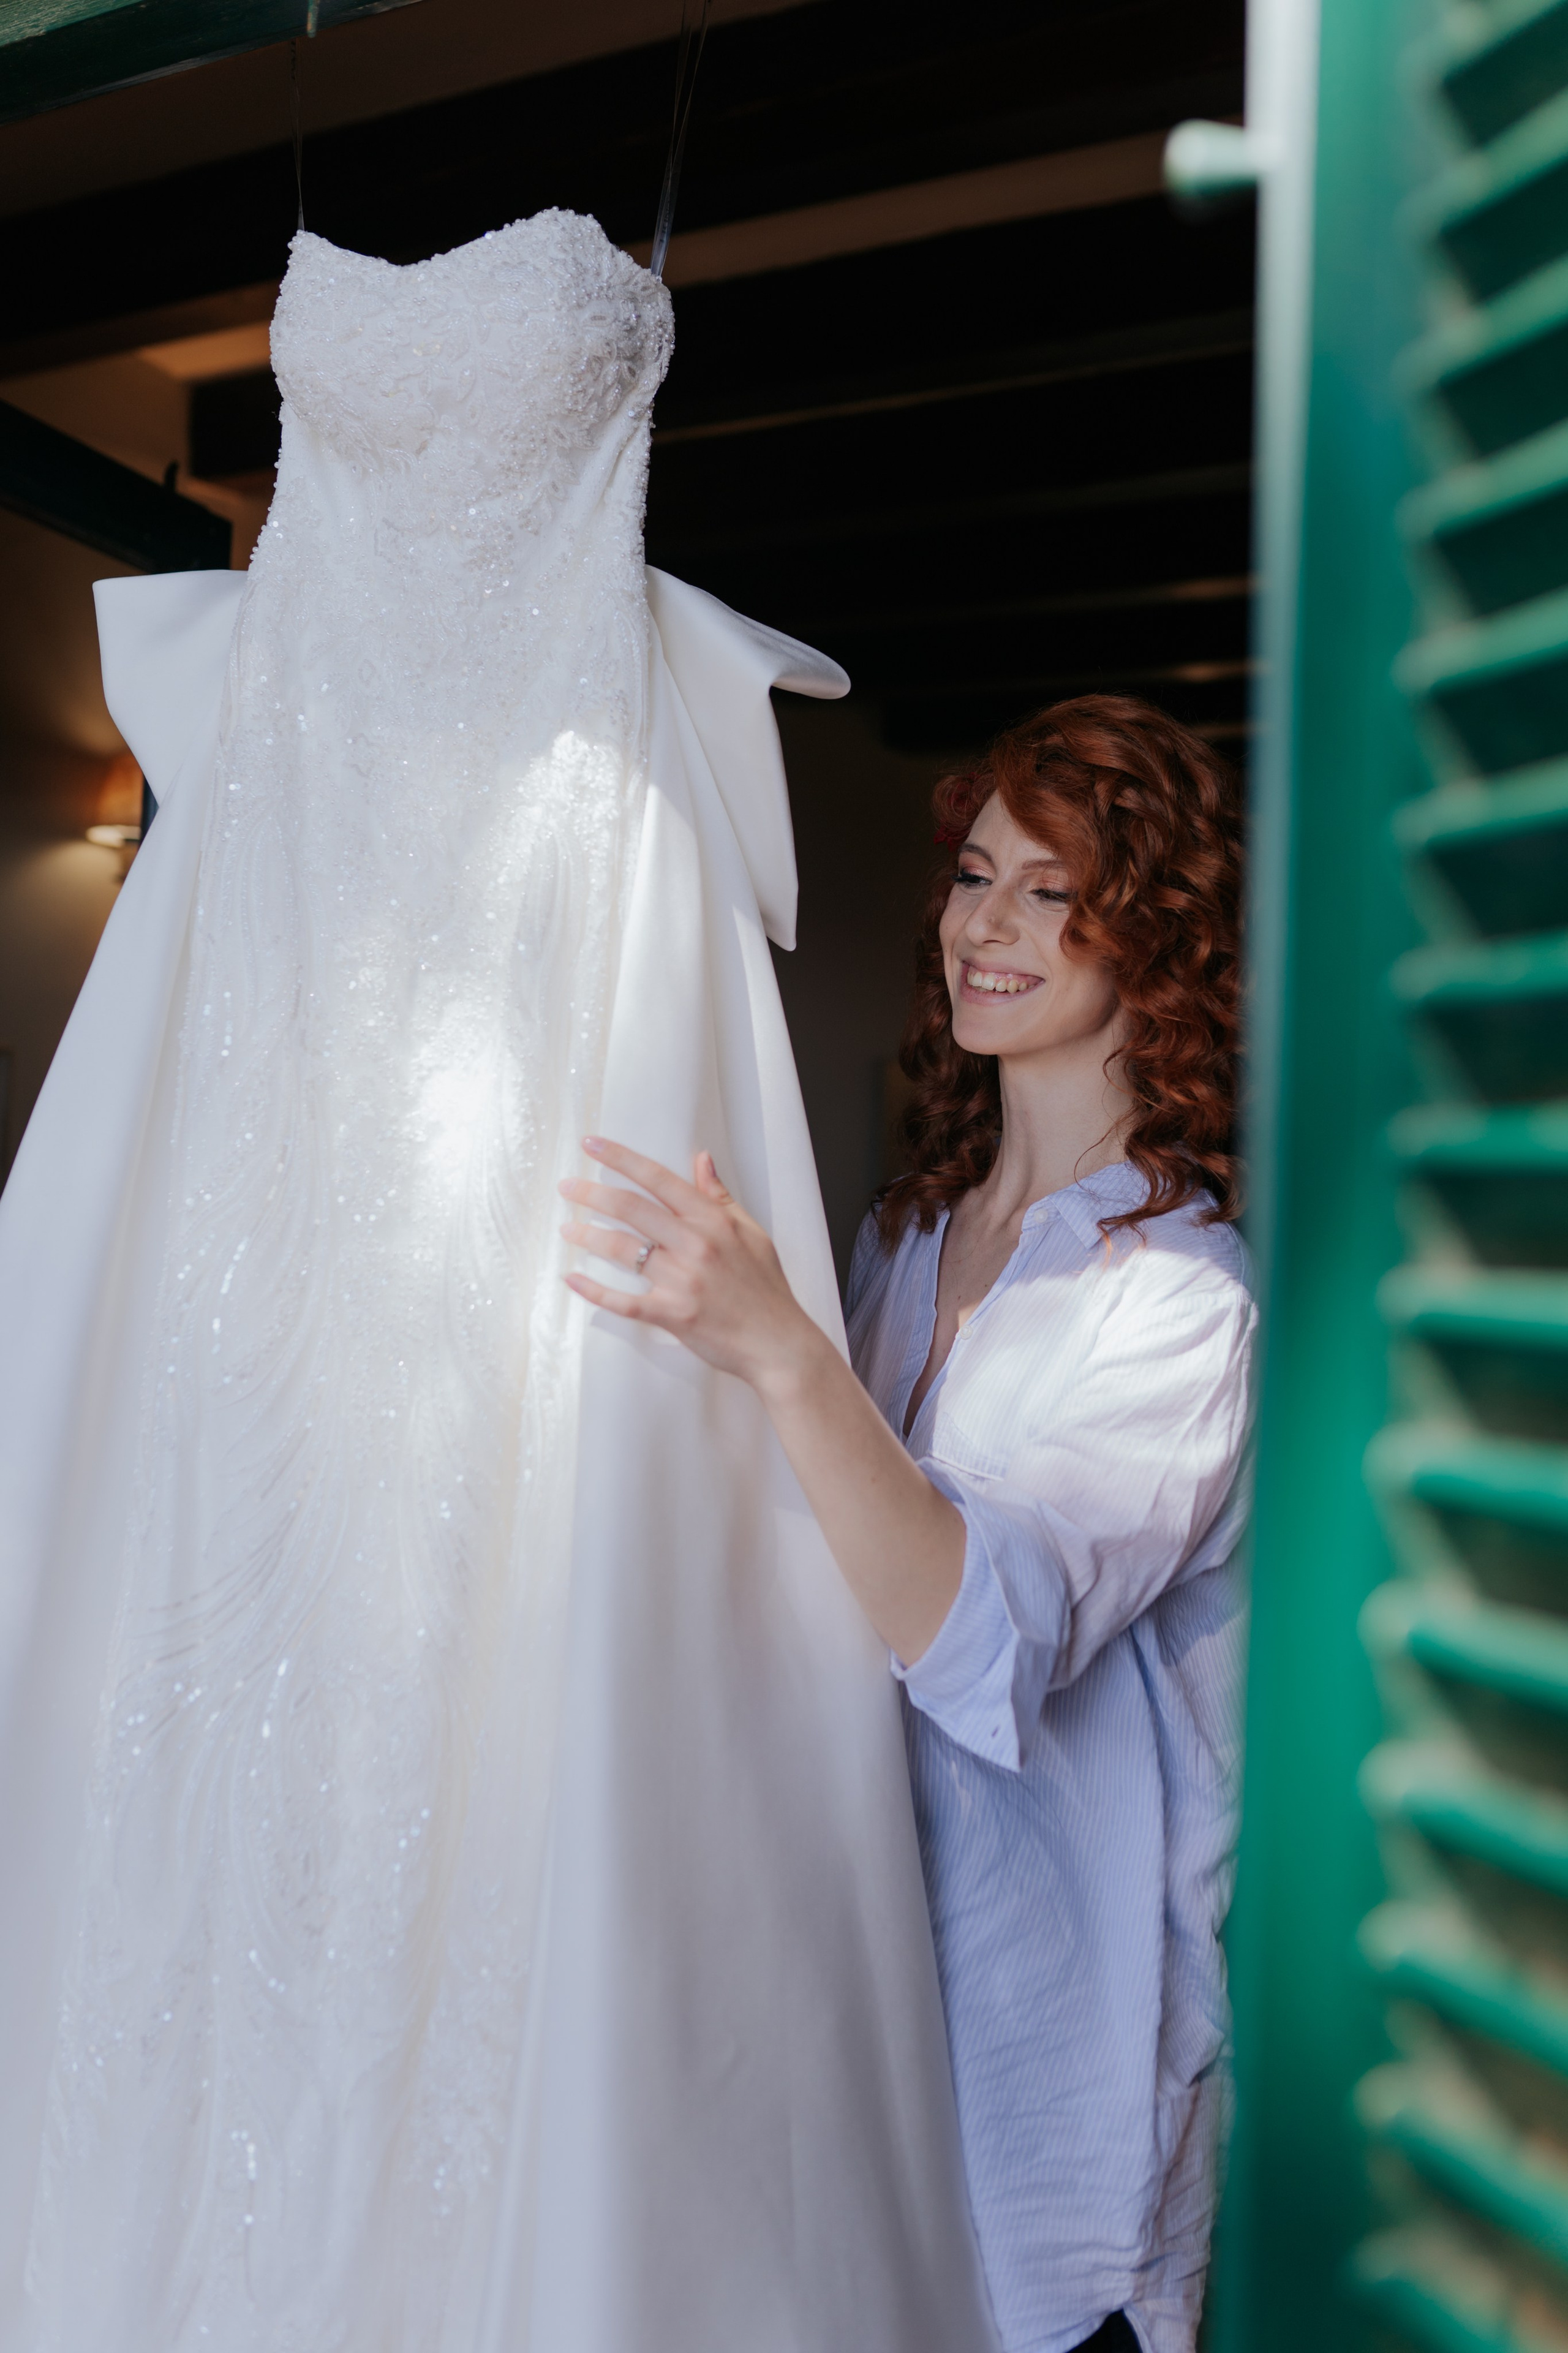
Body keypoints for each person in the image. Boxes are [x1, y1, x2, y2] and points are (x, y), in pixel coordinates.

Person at [561, 692, 1256, 2353]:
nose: (982, 925)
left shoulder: (1182, 1300)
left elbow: (988, 1635)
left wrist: (782, 1350)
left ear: (1148, 938)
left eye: (1047, 889)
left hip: (1046, 2081)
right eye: (973, 874)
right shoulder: (905, 1231)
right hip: (847, 2014)